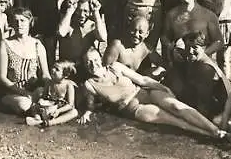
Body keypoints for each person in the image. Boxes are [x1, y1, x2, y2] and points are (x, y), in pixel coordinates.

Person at [77, 47, 223, 139]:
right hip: (132, 107)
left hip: (145, 93)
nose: (92, 64)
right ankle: (212, 135)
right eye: (88, 62)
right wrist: (87, 113)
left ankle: (215, 129)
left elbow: (142, 80)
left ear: (100, 59)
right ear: (84, 65)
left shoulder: (115, 66)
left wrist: (163, 88)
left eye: (95, 60)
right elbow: (90, 103)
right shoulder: (89, 84)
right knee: (175, 121)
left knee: (177, 107)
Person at [0, 7, 55, 117]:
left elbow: (45, 74)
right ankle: (40, 114)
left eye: (23, 20)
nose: (19, 24)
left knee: (47, 98)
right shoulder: (5, 44)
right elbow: (2, 78)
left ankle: (40, 115)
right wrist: (23, 92)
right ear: (12, 23)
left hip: (33, 90)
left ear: (30, 22)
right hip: (11, 92)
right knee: (24, 104)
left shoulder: (37, 44)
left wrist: (51, 87)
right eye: (16, 21)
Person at [164, 31, 231, 119]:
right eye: (188, 47)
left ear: (204, 48)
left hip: (217, 107)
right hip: (209, 100)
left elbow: (204, 101)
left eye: (195, 47)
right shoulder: (195, 60)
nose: (191, 51)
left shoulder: (205, 68)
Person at [161, 0, 222, 65]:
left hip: (202, 61)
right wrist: (172, 49)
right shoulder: (172, 15)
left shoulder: (209, 15)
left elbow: (219, 41)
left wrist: (204, 53)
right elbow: (164, 37)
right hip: (179, 59)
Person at [58, 0, 107, 84]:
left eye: (85, 11)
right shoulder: (69, 24)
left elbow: (103, 37)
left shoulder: (92, 25)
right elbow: (61, 32)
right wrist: (70, 10)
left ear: (90, 11)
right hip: (70, 66)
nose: (81, 14)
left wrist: (96, 12)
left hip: (88, 67)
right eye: (79, 10)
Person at [25, 61, 79, 126]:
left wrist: (58, 111)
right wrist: (41, 101)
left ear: (65, 75)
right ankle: (38, 119)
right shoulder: (49, 82)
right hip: (49, 107)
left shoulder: (68, 85)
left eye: (57, 69)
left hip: (60, 109)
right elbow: (44, 96)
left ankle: (52, 122)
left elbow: (70, 105)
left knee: (74, 112)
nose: (53, 70)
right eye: (53, 67)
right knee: (34, 106)